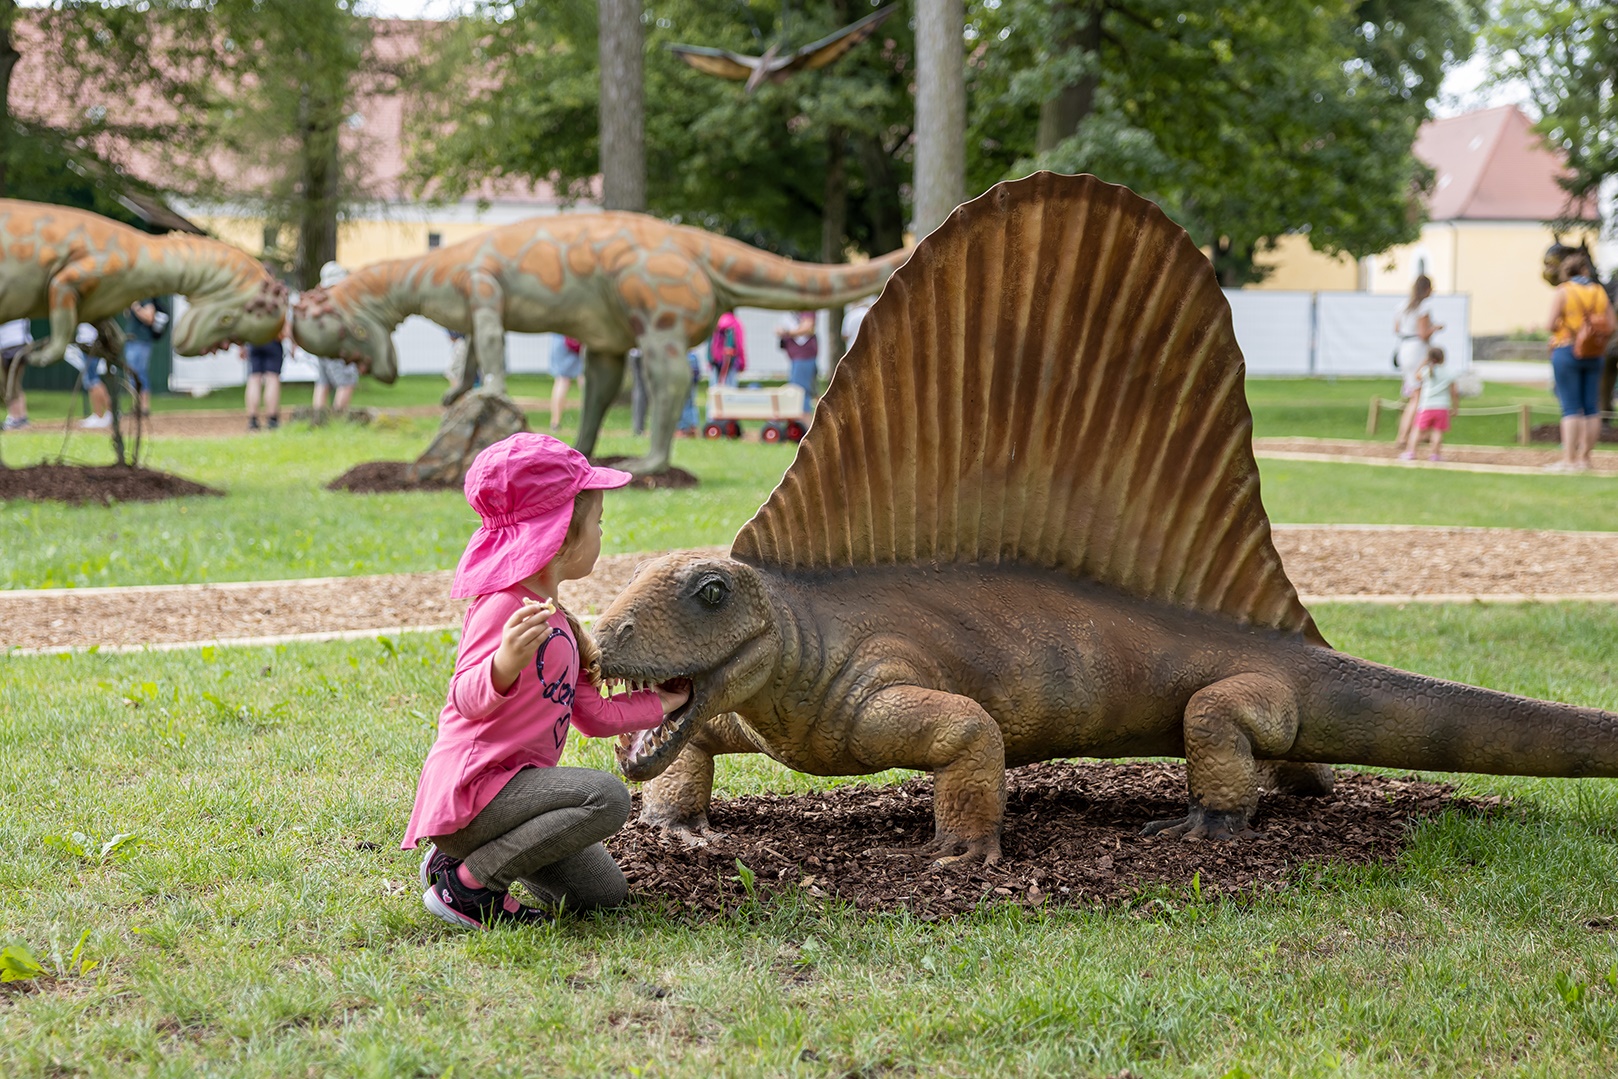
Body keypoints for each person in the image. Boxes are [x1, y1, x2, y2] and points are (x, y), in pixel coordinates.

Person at [403, 434, 690, 929]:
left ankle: (455, 864)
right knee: (607, 797)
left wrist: (661, 704)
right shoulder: (503, 608)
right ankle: (468, 887)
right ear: (560, 536)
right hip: (477, 793)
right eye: (597, 523)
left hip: (515, 800)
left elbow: (594, 716)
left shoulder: (561, 621)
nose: (602, 533)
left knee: (601, 894)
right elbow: (463, 700)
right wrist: (504, 664)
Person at [1546, 251, 1613, 472]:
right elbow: (1611, 325)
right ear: (1585, 270)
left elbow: (1550, 324)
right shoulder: (1598, 291)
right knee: (1591, 408)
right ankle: (1585, 459)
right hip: (1594, 353)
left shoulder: (1564, 291)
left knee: (1571, 407)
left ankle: (1569, 460)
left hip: (1567, 349)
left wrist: (1570, 328)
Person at [1392, 276, 1442, 449]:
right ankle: (1406, 435)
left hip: (1404, 348)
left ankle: (1414, 433)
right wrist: (1435, 328)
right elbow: (1423, 333)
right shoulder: (1423, 307)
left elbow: (1397, 329)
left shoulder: (1403, 305)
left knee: (1414, 394)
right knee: (1418, 396)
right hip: (1417, 351)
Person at [310, 261, 359, 414]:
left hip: (322, 347)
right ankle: (338, 418)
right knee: (346, 383)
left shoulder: (319, 299)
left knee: (323, 383)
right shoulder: (339, 300)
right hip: (339, 348)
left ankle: (318, 419)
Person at [1398, 346, 1457, 462]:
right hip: (1442, 407)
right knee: (1437, 432)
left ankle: (1411, 452)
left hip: (1426, 406)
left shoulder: (1427, 371)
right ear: (1443, 358)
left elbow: (1416, 376)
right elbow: (1454, 392)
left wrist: (1424, 361)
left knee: (1417, 430)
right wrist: (1455, 407)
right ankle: (1435, 455)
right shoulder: (1449, 372)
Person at [122, 297, 170, 418]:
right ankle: (136, 406)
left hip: (141, 341)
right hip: (132, 340)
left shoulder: (144, 298)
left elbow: (149, 318)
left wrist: (136, 307)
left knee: (140, 373)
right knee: (132, 375)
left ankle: (144, 407)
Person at [243, 310, 287, 431]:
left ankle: (253, 420)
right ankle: (272, 419)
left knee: (254, 378)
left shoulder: (251, 297)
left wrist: (242, 345)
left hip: (254, 340)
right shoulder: (274, 297)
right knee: (272, 377)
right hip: (273, 339)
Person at [70, 323, 114, 429]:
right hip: (87, 344)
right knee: (91, 380)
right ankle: (101, 414)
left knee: (93, 379)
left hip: (90, 344)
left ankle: (105, 413)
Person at [777, 310, 819, 401]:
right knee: (801, 389)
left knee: (799, 391)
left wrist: (787, 332)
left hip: (804, 356)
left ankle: (803, 414)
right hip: (796, 357)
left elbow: (807, 327)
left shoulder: (807, 309)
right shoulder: (791, 313)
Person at [548, 336, 583, 432]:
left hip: (560, 340)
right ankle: (588, 423)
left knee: (562, 380)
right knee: (583, 379)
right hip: (577, 338)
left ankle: (555, 423)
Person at [1, 318, 30, 431]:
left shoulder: (18, 308)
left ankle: (17, 417)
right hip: (6, 346)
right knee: (9, 383)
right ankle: (18, 417)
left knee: (13, 382)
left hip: (17, 345)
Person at [710, 311, 745, 386]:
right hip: (731, 360)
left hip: (715, 361)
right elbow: (739, 344)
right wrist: (742, 363)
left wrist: (709, 360)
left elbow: (710, 342)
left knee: (715, 388)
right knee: (730, 391)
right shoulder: (735, 323)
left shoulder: (715, 323)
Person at [677, 348, 702, 437]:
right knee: (691, 400)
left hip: (682, 360)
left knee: (681, 401)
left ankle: (683, 428)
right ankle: (693, 427)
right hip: (692, 360)